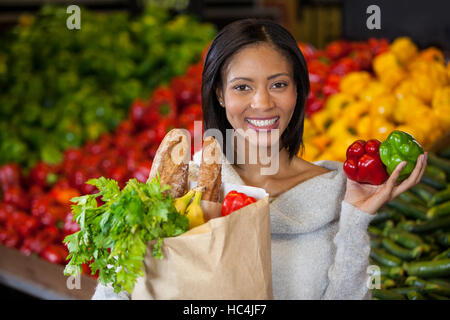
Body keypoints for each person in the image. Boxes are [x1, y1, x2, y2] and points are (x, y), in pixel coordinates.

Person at [92, 18, 427, 300]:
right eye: (242, 87)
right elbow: (114, 293)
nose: (263, 102)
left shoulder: (340, 193)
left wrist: (356, 218)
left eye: (278, 84)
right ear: (220, 95)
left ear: (298, 90)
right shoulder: (181, 187)